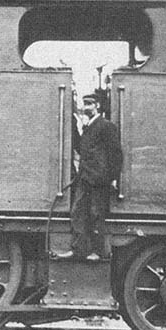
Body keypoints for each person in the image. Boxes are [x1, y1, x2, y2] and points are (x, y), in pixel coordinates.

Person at [55, 92, 123, 261]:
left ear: (97, 106)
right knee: (78, 212)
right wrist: (74, 128)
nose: (86, 108)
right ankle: (79, 249)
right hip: (84, 177)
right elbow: (81, 148)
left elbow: (115, 154)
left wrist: (112, 178)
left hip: (99, 179)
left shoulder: (106, 126)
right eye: (84, 104)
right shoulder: (88, 127)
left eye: (90, 104)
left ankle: (99, 252)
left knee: (96, 214)